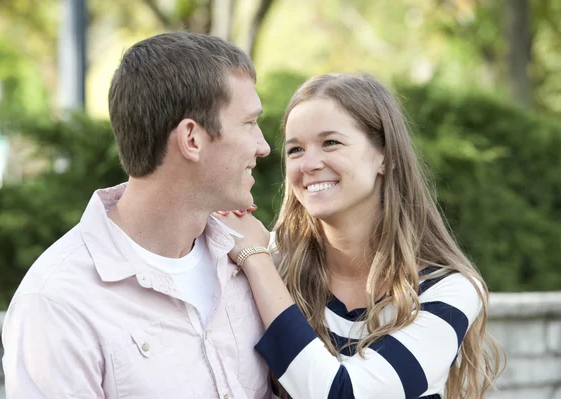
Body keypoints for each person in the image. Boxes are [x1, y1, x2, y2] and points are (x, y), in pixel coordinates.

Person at [2, 32, 272, 398]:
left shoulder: (249, 260)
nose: (263, 146)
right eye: (249, 123)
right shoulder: (57, 303)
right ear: (192, 139)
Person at [216, 73, 504, 398]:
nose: (308, 164)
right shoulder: (273, 268)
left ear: (385, 156)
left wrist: (256, 260)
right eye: (295, 149)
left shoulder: (449, 291)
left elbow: (345, 394)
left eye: (330, 143)